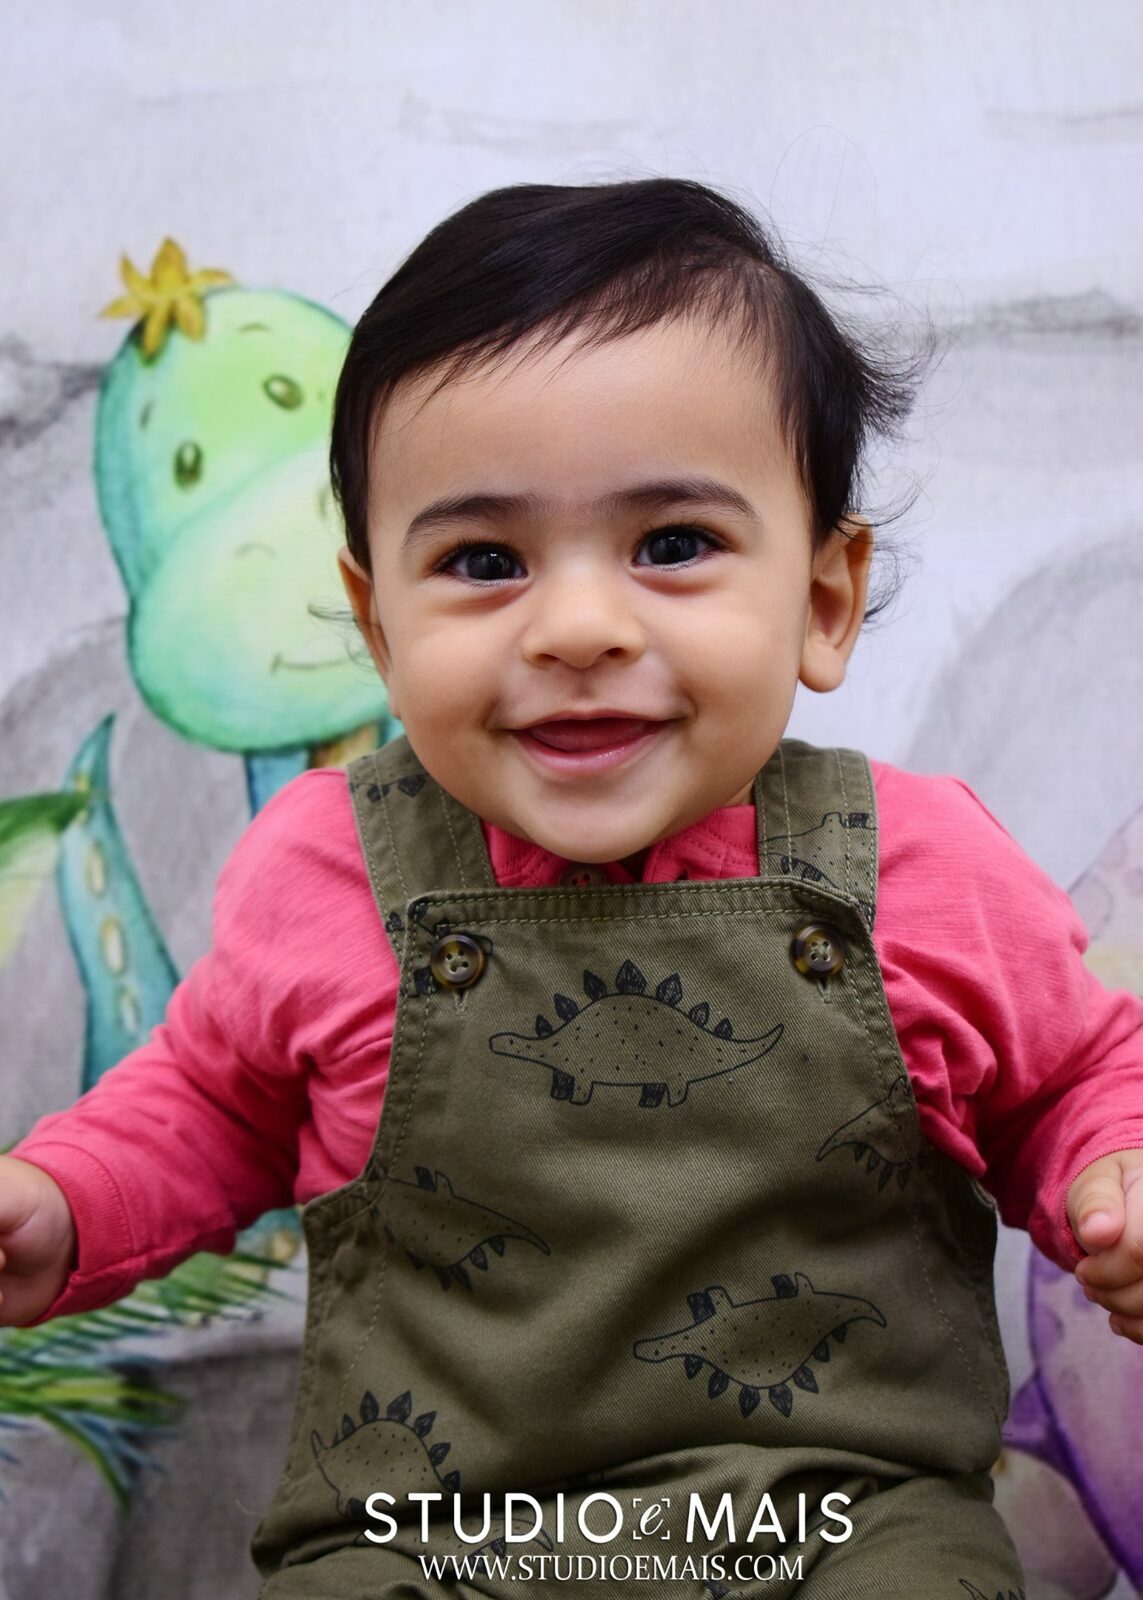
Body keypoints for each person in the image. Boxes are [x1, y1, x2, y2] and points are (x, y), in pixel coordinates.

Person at [2, 177, 1141, 1598]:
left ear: (823, 601)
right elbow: (215, 1101)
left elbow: (1076, 1069)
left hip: (837, 1523)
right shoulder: (325, 869)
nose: (581, 626)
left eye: (673, 545)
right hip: (428, 1534)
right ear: (378, 623)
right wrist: (64, 1201)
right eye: (484, 561)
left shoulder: (920, 868)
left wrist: (1115, 1172)